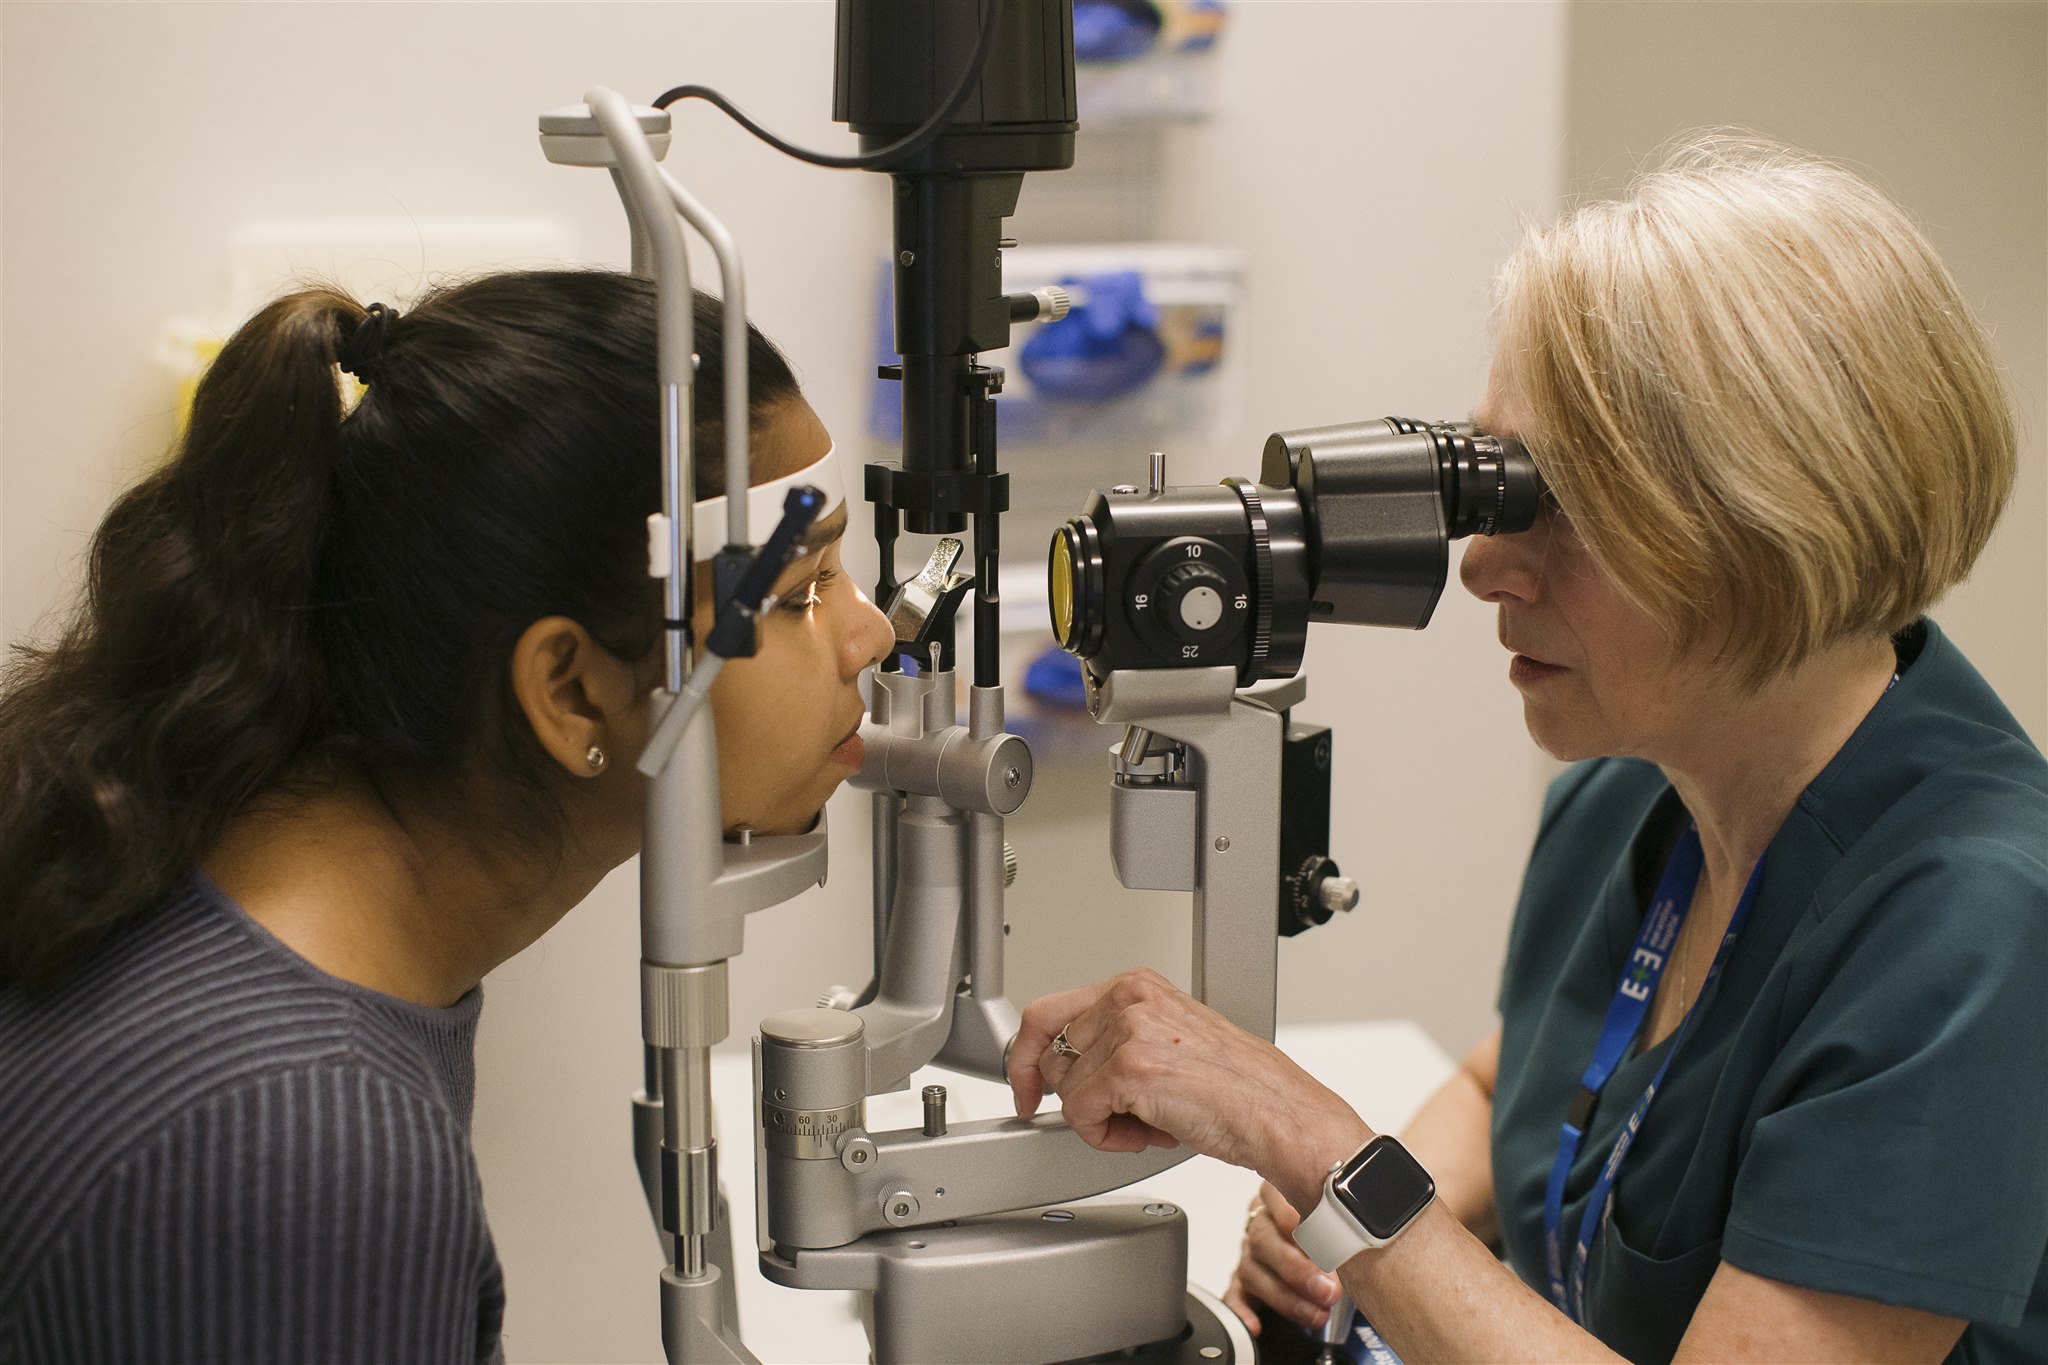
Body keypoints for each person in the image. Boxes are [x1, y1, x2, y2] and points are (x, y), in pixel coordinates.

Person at [1009, 136, 2047, 1364]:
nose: (1483, 567)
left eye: (1560, 507)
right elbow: (1528, 1087)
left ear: (1768, 523)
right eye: (1496, 489)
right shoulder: (1629, 786)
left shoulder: (1976, 925)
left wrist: (1319, 1151)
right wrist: (1341, 1226)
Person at [0, 271, 893, 1364]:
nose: (870, 634)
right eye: (800, 592)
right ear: (568, 693)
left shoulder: (217, 876)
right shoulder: (299, 1148)